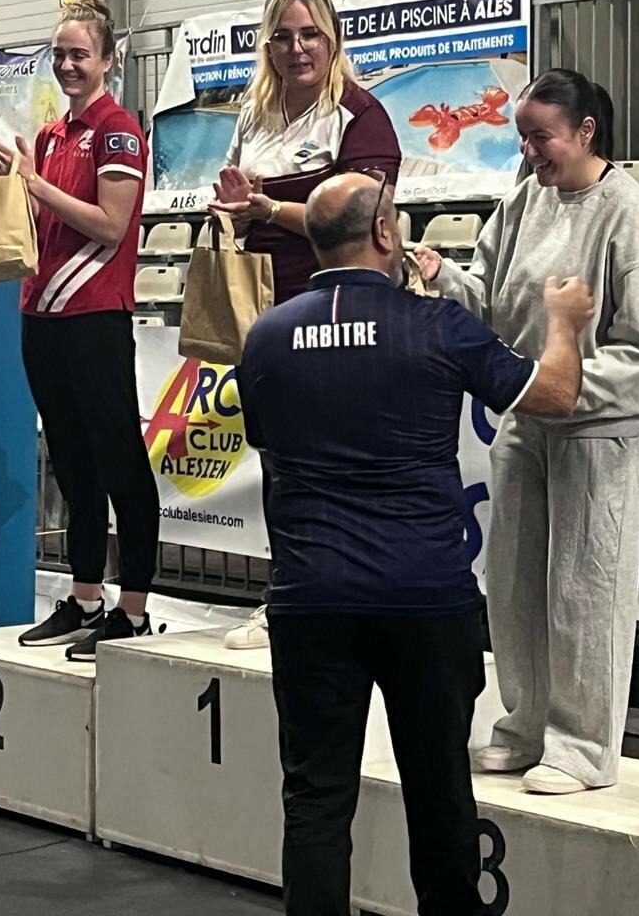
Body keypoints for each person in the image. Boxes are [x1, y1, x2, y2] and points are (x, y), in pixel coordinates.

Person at [238, 171, 594, 916]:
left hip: (310, 597)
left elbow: (269, 443)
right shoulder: (435, 325)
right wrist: (563, 322)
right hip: (423, 594)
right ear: (384, 233)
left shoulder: (266, 336)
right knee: (439, 790)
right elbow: (556, 396)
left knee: (315, 796)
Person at [413, 68, 639, 796]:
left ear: (585, 131)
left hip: (602, 427)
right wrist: (443, 277)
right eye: (523, 138)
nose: (530, 151)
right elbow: (490, 301)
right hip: (527, 415)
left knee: (586, 587)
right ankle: (525, 725)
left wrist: (563, 383)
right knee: (514, 581)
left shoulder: (631, 217)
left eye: (542, 137)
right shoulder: (523, 200)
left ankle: (583, 746)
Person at [211, 0, 402, 650]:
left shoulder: (360, 114)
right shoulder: (253, 117)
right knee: (279, 460)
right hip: (268, 312)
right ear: (268, 47)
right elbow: (238, 199)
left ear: (332, 38)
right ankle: (287, 594)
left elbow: (362, 218)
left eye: (310, 34)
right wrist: (235, 212)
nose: (297, 49)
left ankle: (360, 596)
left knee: (342, 457)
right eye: (284, 37)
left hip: (341, 309)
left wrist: (268, 209)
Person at [0, 0, 158, 662]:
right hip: (42, 315)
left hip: (95, 316)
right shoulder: (53, 136)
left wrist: (35, 184)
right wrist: (15, 182)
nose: (67, 64)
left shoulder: (118, 131)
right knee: (72, 462)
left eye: (80, 54)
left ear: (108, 60)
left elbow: (111, 225)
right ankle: (85, 599)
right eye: (58, 54)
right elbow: (43, 221)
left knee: (119, 461)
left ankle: (133, 610)